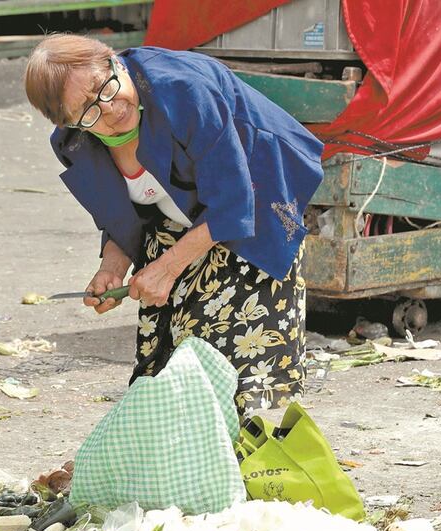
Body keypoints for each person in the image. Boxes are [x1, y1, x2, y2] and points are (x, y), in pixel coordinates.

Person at [24, 35, 324, 411]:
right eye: (87, 111)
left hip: (257, 198)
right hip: (182, 218)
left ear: (115, 61)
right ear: (70, 123)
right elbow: (123, 211)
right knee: (171, 368)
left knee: (237, 361)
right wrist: (111, 268)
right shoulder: (75, 143)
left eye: (106, 88)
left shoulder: (182, 91)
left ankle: (244, 457)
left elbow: (233, 202)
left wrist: (166, 269)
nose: (110, 108)